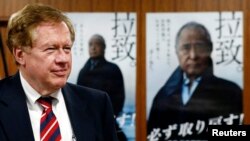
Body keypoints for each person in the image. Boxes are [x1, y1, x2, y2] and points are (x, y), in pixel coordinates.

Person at [0, 4, 118, 141]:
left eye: (67, 48)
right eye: (51, 49)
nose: (63, 59)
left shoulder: (97, 104)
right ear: (20, 55)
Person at [147, 21, 243, 140]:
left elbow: (240, 133)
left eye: (200, 47)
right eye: (186, 48)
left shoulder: (231, 92)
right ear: (176, 51)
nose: (193, 55)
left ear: (210, 48)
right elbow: (152, 136)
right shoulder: (162, 97)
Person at [77, 34, 127, 141]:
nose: (93, 48)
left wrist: (111, 115)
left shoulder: (113, 69)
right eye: (90, 45)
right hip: (87, 121)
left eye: (97, 44)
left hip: (107, 118)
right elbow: (77, 97)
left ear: (104, 48)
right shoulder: (83, 72)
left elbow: (119, 96)